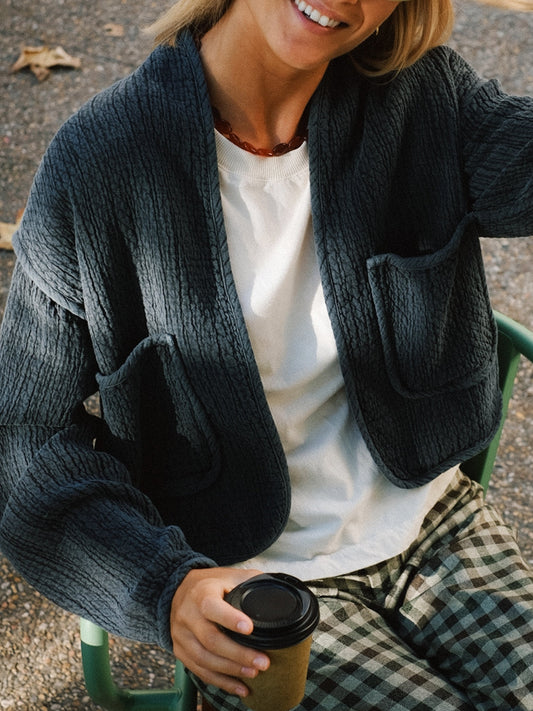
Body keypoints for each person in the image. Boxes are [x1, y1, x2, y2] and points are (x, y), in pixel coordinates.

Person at [0, 0, 532, 708]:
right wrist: (164, 588)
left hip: (437, 520)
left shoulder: (426, 96)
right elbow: (22, 437)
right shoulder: (98, 166)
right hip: (257, 581)